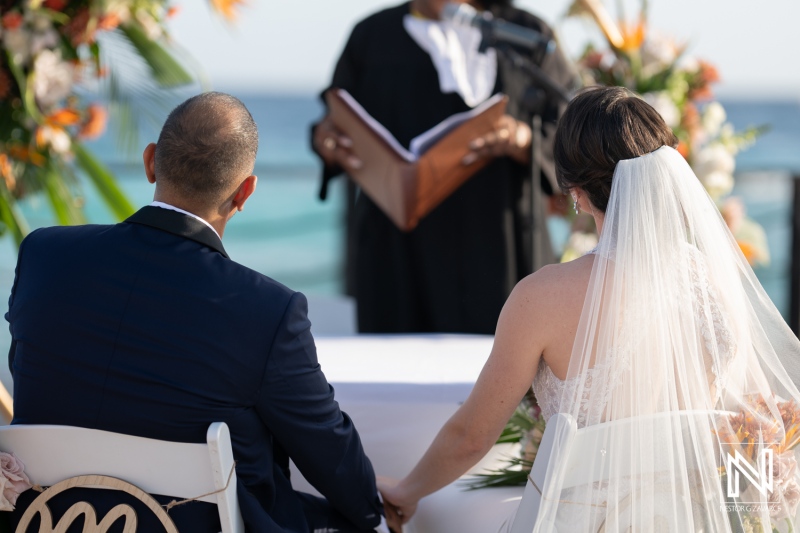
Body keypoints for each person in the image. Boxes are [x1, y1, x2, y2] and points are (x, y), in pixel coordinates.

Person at [378, 86, 800, 532]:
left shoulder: (540, 298)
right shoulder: (715, 281)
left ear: (577, 193)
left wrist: (406, 491)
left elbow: (473, 437)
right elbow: (741, 424)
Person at [6, 92, 385, 533]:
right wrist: (372, 511)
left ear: (150, 162)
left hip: (46, 519)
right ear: (245, 193)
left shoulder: (44, 255)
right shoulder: (266, 310)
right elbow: (328, 453)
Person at [311, 0, 579, 334]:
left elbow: (572, 131)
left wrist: (524, 139)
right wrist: (329, 142)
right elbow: (335, 118)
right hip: (396, 251)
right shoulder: (371, 37)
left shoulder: (526, 33)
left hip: (498, 241)